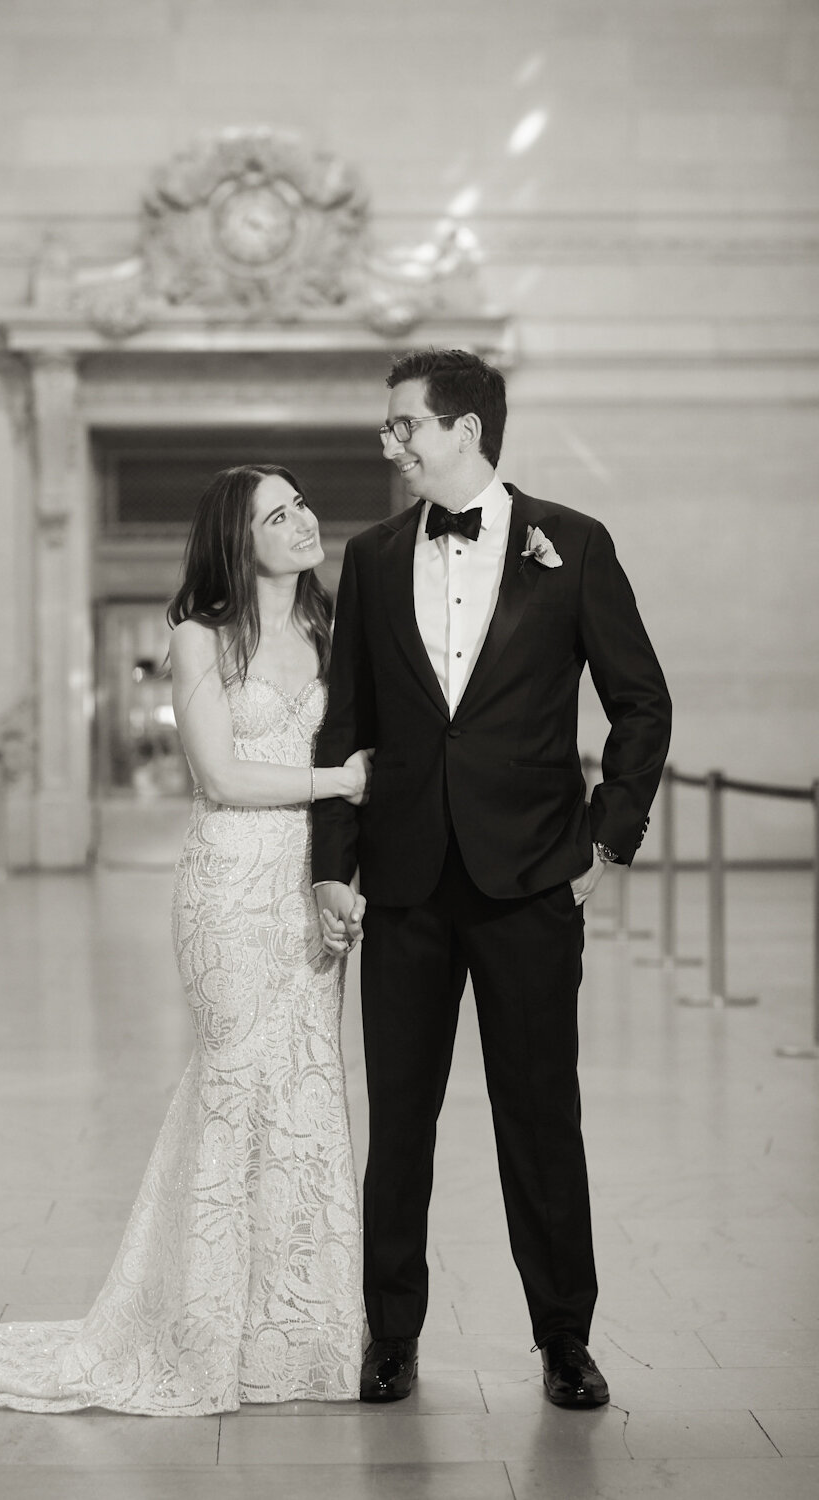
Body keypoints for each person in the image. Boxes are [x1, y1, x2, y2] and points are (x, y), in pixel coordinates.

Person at [0, 464, 368, 1415]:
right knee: (234, 1086)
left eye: (303, 504)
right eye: (278, 516)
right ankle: (197, 1334)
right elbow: (224, 776)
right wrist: (342, 783)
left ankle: (297, 1337)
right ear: (239, 543)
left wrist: (345, 872)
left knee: (307, 1095)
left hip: (305, 890)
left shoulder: (334, 630)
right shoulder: (197, 636)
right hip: (228, 889)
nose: (304, 521)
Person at [312, 349, 671, 1408]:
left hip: (528, 883)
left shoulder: (576, 544)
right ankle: (391, 1336)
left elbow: (640, 701)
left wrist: (606, 840)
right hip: (407, 883)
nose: (390, 443)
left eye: (402, 425)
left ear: (463, 428)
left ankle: (564, 1340)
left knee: (539, 1116)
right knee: (401, 1122)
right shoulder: (371, 556)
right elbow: (347, 721)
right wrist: (332, 867)